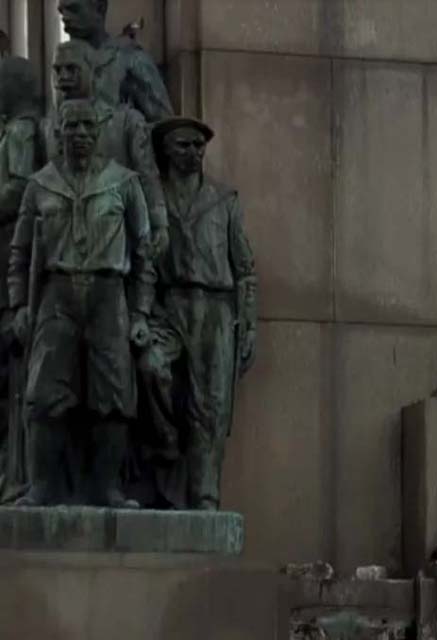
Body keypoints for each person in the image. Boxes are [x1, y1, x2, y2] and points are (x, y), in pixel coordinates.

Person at [8, 99, 153, 507]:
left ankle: (108, 487)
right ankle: (41, 487)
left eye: (89, 126)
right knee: (45, 391)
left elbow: (144, 254)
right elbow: (19, 254)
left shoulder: (123, 182)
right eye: (72, 127)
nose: (82, 134)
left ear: (101, 131)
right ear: (59, 133)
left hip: (109, 294)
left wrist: (140, 312)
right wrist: (20, 305)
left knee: (113, 393)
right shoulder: (40, 184)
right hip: (57, 293)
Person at [138, 117, 256, 510]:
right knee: (150, 369)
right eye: (184, 145)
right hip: (168, 307)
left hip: (216, 309)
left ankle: (205, 496)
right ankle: (165, 445)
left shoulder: (224, 199)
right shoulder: (153, 200)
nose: (193, 153)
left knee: (211, 406)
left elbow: (244, 269)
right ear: (166, 151)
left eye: (198, 146)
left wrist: (249, 324)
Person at [46, 40, 168, 256]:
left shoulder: (127, 121)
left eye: (72, 69)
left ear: (92, 72)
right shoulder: (47, 126)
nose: (63, 77)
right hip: (61, 245)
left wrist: (159, 223)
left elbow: (148, 175)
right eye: (58, 70)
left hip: (116, 240)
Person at [0, 57, 44, 502]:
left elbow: (16, 189)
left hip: (11, 265)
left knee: (16, 374)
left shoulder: (20, 132)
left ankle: (19, 474)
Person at [58, 0, 172, 122]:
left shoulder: (130, 58)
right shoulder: (61, 64)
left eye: (74, 9)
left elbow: (164, 124)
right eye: (62, 12)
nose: (65, 18)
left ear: (100, 8)